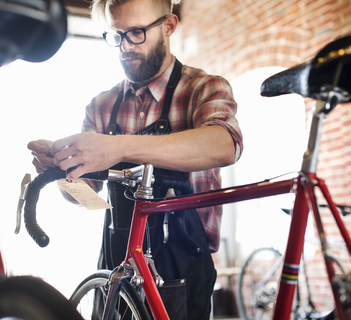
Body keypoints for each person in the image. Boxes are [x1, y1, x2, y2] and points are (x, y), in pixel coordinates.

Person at [28, 0, 243, 318]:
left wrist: (119, 148)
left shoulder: (204, 88)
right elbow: (87, 196)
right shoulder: (101, 106)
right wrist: (62, 172)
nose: (124, 46)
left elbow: (225, 144)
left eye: (137, 33)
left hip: (182, 269)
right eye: (116, 35)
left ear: (168, 26)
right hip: (115, 267)